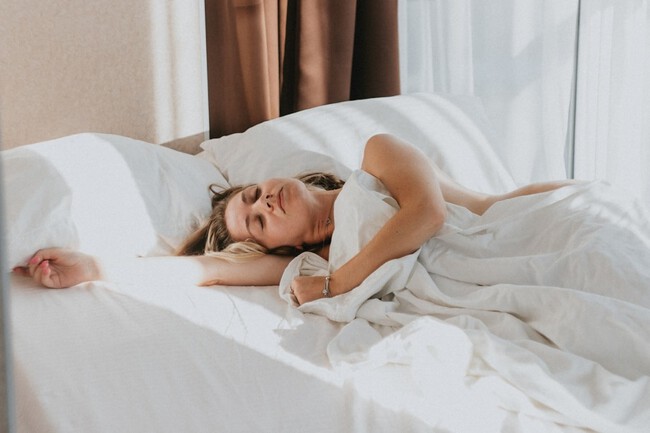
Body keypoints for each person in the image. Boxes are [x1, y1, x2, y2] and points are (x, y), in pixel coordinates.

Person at [13, 134, 575, 305]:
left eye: (256, 194)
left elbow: (427, 215)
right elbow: (204, 271)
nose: (265, 203)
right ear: (273, 248)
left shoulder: (377, 155)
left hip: (536, 224)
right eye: (258, 221)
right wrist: (93, 266)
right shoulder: (313, 261)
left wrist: (338, 283)